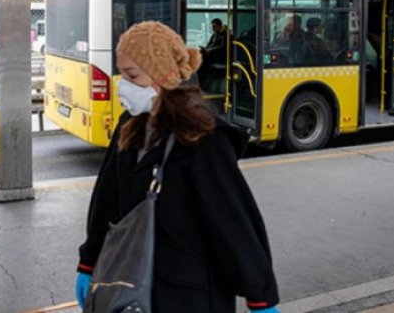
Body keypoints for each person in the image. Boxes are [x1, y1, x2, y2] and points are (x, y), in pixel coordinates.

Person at [75, 21, 279, 312]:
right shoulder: (129, 126)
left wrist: (261, 297)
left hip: (188, 294)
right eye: (122, 73)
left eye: (132, 75)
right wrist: (89, 260)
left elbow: (233, 220)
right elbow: (107, 199)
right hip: (132, 285)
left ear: (163, 76)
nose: (123, 85)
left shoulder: (202, 137)